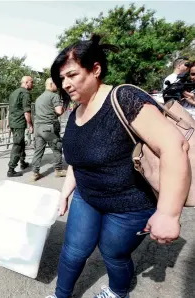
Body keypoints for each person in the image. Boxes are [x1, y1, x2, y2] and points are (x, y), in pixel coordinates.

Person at [45, 35, 190, 298]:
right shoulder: (77, 110)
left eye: (72, 75)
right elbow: (79, 160)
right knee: (73, 250)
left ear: (96, 69)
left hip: (130, 206)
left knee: (113, 253)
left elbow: (174, 146)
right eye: (61, 79)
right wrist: (67, 191)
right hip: (87, 197)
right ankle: (60, 295)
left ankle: (116, 291)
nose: (65, 84)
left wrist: (168, 214)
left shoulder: (124, 97)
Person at [31, 78, 66, 181]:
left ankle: (35, 173)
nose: (58, 86)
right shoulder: (54, 96)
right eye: (56, 84)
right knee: (57, 148)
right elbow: (59, 111)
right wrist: (63, 107)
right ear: (51, 84)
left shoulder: (39, 98)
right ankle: (58, 170)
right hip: (49, 127)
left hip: (38, 128)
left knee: (38, 151)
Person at [6, 76, 34, 177]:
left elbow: (10, 109)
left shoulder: (14, 93)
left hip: (14, 122)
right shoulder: (25, 93)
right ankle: (11, 169)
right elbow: (27, 111)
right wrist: (30, 124)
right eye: (31, 82)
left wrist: (8, 122)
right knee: (18, 144)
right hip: (19, 123)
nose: (33, 84)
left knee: (21, 143)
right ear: (26, 82)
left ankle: (23, 163)